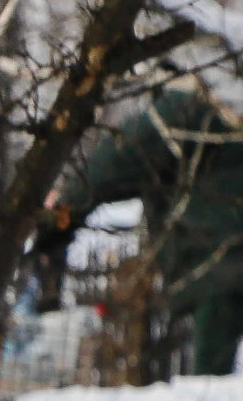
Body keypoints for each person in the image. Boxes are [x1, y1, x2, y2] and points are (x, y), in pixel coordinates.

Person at [43, 82, 243, 375]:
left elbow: (112, 165)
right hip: (221, 256)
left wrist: (58, 216)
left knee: (210, 376)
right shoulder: (226, 92)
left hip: (216, 259)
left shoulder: (189, 102)